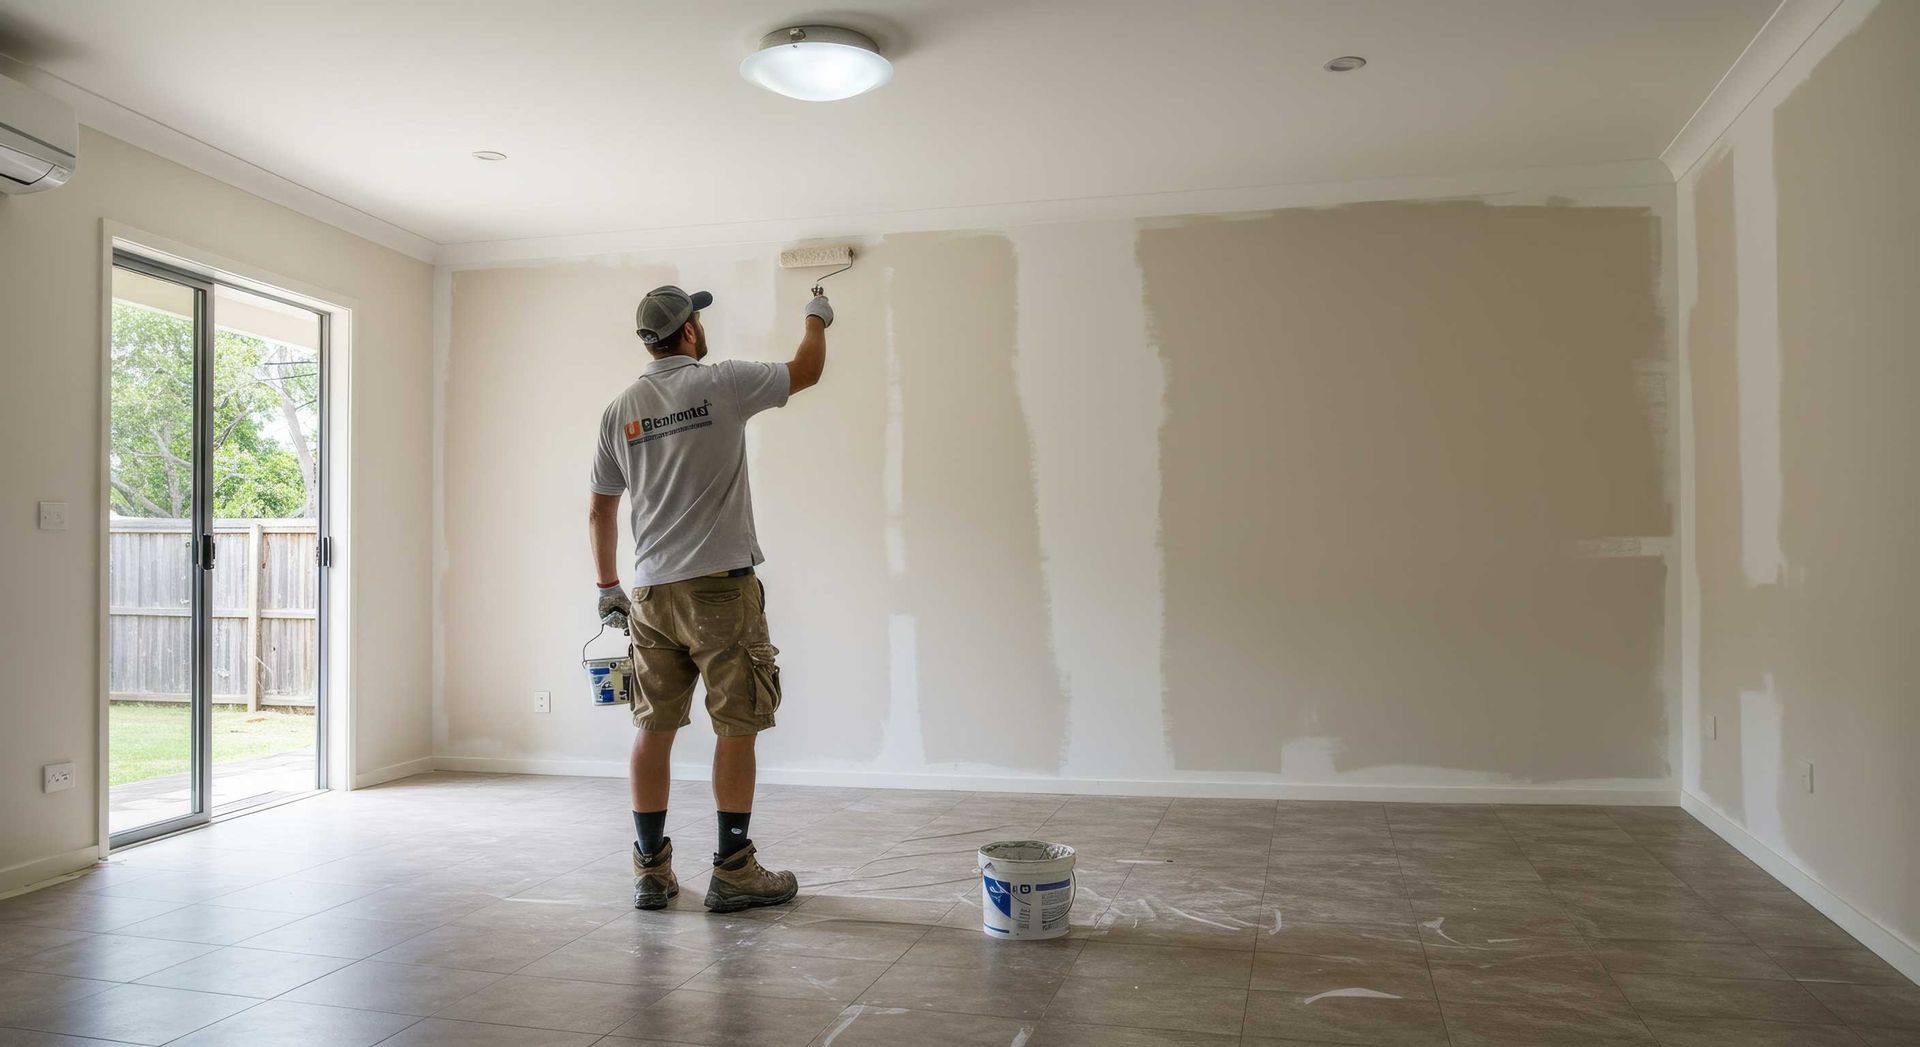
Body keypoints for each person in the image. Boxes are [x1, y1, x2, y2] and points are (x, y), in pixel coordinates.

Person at [587, 283, 832, 911]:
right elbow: (806, 370)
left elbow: (600, 511)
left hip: (651, 593)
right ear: (690, 332)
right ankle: (734, 869)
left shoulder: (621, 409)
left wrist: (608, 588)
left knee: (653, 728)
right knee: (737, 726)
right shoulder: (721, 383)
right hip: (721, 592)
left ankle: (650, 869)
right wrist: (816, 317)